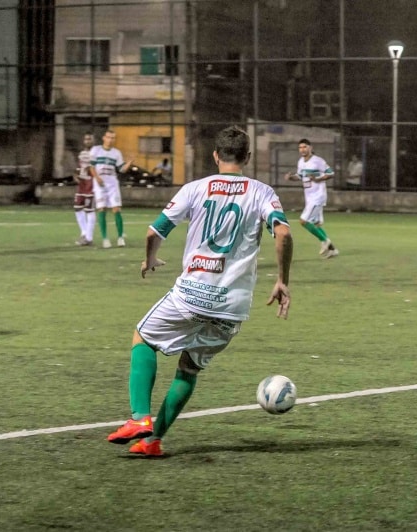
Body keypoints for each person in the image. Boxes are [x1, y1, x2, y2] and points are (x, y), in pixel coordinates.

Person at [107, 125, 293, 457]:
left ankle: (139, 420)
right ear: (247, 157)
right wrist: (282, 280)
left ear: (215, 155)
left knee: (143, 338)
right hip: (232, 306)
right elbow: (283, 234)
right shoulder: (263, 192)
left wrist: (150, 259)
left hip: (191, 294)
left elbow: (154, 232)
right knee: (189, 367)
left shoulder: (195, 188)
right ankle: (152, 441)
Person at [284, 138, 338, 258]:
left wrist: (319, 179)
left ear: (310, 148)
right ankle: (332, 249)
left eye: (305, 147)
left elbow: (331, 173)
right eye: (300, 147)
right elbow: (300, 176)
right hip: (309, 197)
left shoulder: (318, 161)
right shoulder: (301, 162)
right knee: (317, 224)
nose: (302, 149)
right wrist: (291, 178)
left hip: (318, 196)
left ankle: (325, 241)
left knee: (304, 221)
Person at [89, 129, 133, 248]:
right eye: (108, 137)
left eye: (113, 138)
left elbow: (122, 169)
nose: (110, 140)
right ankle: (105, 239)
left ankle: (120, 238)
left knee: (116, 209)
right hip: (99, 183)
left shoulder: (116, 153)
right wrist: (97, 178)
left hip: (112, 183)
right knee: (101, 209)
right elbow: (91, 167)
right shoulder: (96, 150)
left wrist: (129, 162)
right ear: (104, 138)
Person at [73, 133, 95, 246]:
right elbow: (79, 167)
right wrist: (76, 175)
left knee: (89, 210)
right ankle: (84, 233)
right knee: (77, 208)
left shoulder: (96, 153)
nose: (87, 141)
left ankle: (89, 238)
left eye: (90, 139)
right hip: (81, 185)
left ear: (94, 140)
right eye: (86, 139)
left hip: (91, 185)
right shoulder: (82, 153)